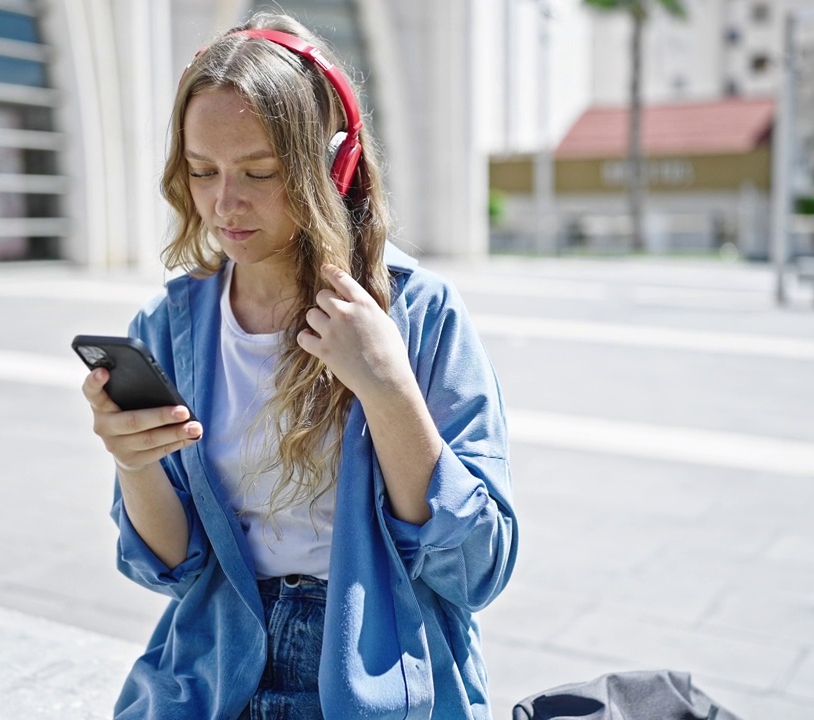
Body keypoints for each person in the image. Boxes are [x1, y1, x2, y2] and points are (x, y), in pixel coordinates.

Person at [80, 13, 516, 719]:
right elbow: (171, 567)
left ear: (332, 166)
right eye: (202, 171)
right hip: (213, 671)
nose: (225, 203)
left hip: (384, 675)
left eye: (260, 172)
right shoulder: (170, 327)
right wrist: (134, 462)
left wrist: (386, 387)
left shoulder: (421, 315)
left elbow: (478, 569)